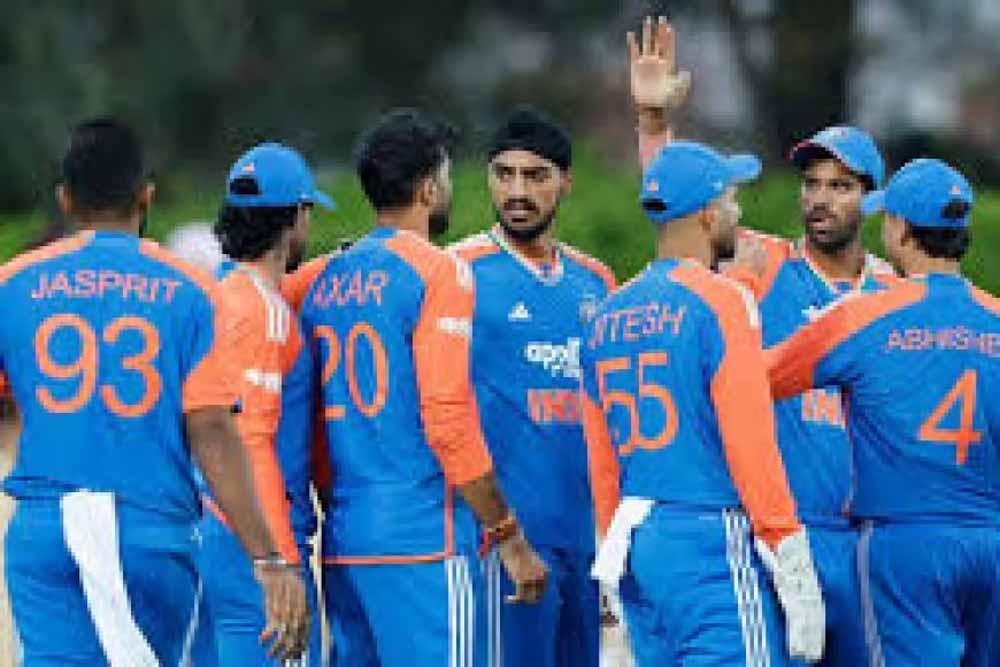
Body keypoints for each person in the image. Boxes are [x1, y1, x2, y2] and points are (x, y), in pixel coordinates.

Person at [630, 16, 893, 664]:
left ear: (871, 199)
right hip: (781, 537)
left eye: (840, 186)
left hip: (868, 540)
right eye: (811, 184)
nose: (820, 200)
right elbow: (683, 210)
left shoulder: (894, 292)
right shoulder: (763, 262)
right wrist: (655, 123)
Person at [0, 118, 306, 665]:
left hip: (45, 532)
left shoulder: (12, 283)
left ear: (65, 199)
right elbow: (212, 429)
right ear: (146, 195)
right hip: (148, 532)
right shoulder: (192, 290)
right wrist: (267, 559)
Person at [298, 108, 548, 666]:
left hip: (345, 539)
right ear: (429, 188)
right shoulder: (439, 270)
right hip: (424, 540)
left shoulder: (321, 278)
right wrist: (507, 533)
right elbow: (448, 418)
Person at [582, 138, 826, 665]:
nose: (739, 215)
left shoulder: (605, 314)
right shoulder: (724, 300)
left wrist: (608, 550)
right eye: (732, 201)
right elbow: (751, 442)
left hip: (638, 539)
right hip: (711, 537)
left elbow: (602, 460)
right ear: (709, 215)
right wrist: (789, 553)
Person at [767, 158, 1000, 667]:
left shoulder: (866, 314)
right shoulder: (994, 318)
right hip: (990, 541)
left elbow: (759, 379)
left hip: (903, 544)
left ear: (900, 229)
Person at [450, 106, 614, 667]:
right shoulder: (458, 271)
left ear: (565, 182)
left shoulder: (596, 282)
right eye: (505, 174)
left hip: (583, 539)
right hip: (503, 540)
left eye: (536, 176)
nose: (517, 191)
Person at [192, 142, 333, 666]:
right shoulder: (264, 313)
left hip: (205, 527)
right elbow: (251, 443)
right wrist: (277, 561)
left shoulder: (216, 294)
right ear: (296, 217)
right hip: (255, 538)